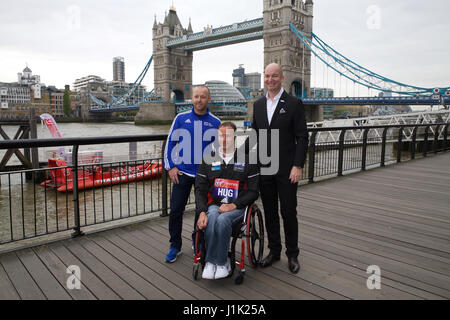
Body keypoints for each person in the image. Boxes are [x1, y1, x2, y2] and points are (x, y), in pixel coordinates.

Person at [251, 63, 308, 273]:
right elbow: (255, 136)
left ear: (282, 78)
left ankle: (292, 254)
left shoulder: (294, 103)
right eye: (267, 76)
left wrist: (298, 165)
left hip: (286, 169)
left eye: (274, 76)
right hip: (265, 168)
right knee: (270, 212)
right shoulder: (257, 105)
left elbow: (302, 137)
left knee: (288, 211)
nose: (270, 80)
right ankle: (274, 251)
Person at [163, 85, 221, 263]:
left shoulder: (216, 122)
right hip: (181, 173)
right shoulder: (180, 118)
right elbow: (169, 144)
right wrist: (170, 167)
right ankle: (175, 246)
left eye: (203, 97)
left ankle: (198, 243)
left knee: (200, 212)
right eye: (196, 96)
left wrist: (216, 175)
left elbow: (219, 152)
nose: (199, 100)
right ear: (192, 99)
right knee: (175, 212)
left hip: (203, 177)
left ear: (208, 99)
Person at [195, 122, 260, 279]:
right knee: (211, 218)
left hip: (238, 207)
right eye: (221, 136)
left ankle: (222, 262)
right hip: (214, 206)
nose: (224, 140)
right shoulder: (207, 159)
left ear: (235, 138)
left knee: (223, 219)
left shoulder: (249, 160)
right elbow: (200, 190)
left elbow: (253, 192)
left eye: (228, 136)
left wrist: (233, 205)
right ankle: (211, 263)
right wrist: (201, 211)